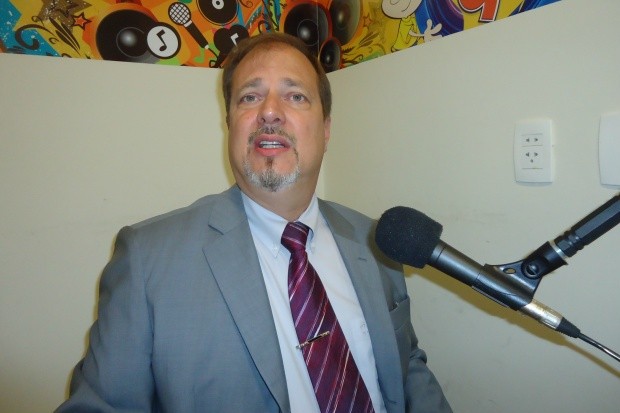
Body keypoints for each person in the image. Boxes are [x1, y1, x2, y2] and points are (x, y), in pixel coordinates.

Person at [56, 32, 452, 413]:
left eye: (295, 95)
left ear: (326, 129)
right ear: (230, 124)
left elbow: (407, 364)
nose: (270, 112)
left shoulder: (376, 239)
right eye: (250, 97)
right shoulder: (147, 260)